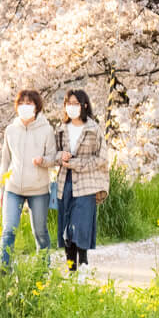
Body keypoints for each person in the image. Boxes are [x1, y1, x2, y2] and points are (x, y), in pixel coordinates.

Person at [0, 89, 55, 268]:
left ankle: (43, 272)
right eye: (21, 103)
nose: (24, 107)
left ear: (37, 107)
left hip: (38, 190)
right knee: (8, 231)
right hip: (13, 188)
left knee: (40, 233)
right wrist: (1, 189)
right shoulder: (11, 130)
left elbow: (53, 158)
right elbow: (5, 161)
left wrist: (43, 161)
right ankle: (4, 273)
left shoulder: (46, 129)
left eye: (29, 104)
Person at [53, 89, 109, 273]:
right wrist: (61, 156)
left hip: (87, 183)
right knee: (67, 226)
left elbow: (101, 158)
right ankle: (71, 269)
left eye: (76, 103)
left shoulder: (94, 129)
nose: (72, 107)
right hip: (64, 183)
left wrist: (76, 164)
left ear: (84, 105)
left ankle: (83, 264)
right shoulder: (60, 129)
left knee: (82, 225)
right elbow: (53, 153)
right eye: (69, 103)